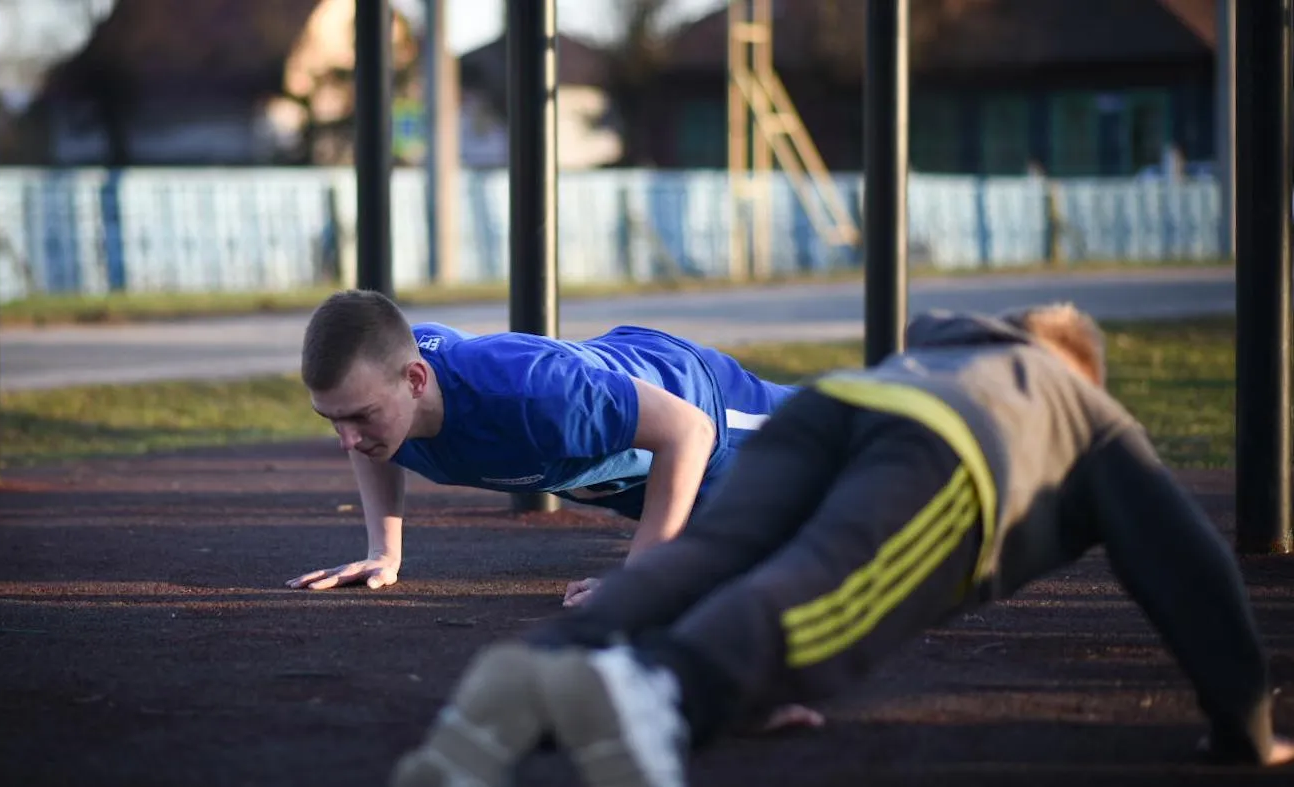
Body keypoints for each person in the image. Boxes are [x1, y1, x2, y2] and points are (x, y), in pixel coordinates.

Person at [390, 302, 1294, 787]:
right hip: (946, 446)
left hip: (837, 402)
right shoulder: (1086, 415)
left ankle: (538, 672)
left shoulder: (946, 345)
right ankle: (659, 691)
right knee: (835, 591)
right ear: (1079, 374)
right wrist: (1244, 725)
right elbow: (1190, 569)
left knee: (712, 560)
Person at [285, 289, 797, 607]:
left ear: (417, 381)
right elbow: (366, 437)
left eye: (360, 418)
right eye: (332, 419)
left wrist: (641, 580)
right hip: (633, 474)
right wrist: (384, 551)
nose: (347, 440)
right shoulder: (388, 388)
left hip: (709, 412)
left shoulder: (529, 392)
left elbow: (688, 431)